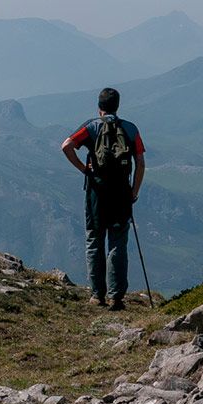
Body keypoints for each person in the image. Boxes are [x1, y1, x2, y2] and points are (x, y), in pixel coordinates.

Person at [60, 88, 145, 311]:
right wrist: (133, 191)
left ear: (99, 108)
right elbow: (140, 163)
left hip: (96, 193)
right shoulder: (130, 129)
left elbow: (66, 146)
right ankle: (117, 297)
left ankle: (97, 295)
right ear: (117, 106)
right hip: (121, 195)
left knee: (94, 240)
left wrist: (83, 169)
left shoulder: (90, 127)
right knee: (118, 242)